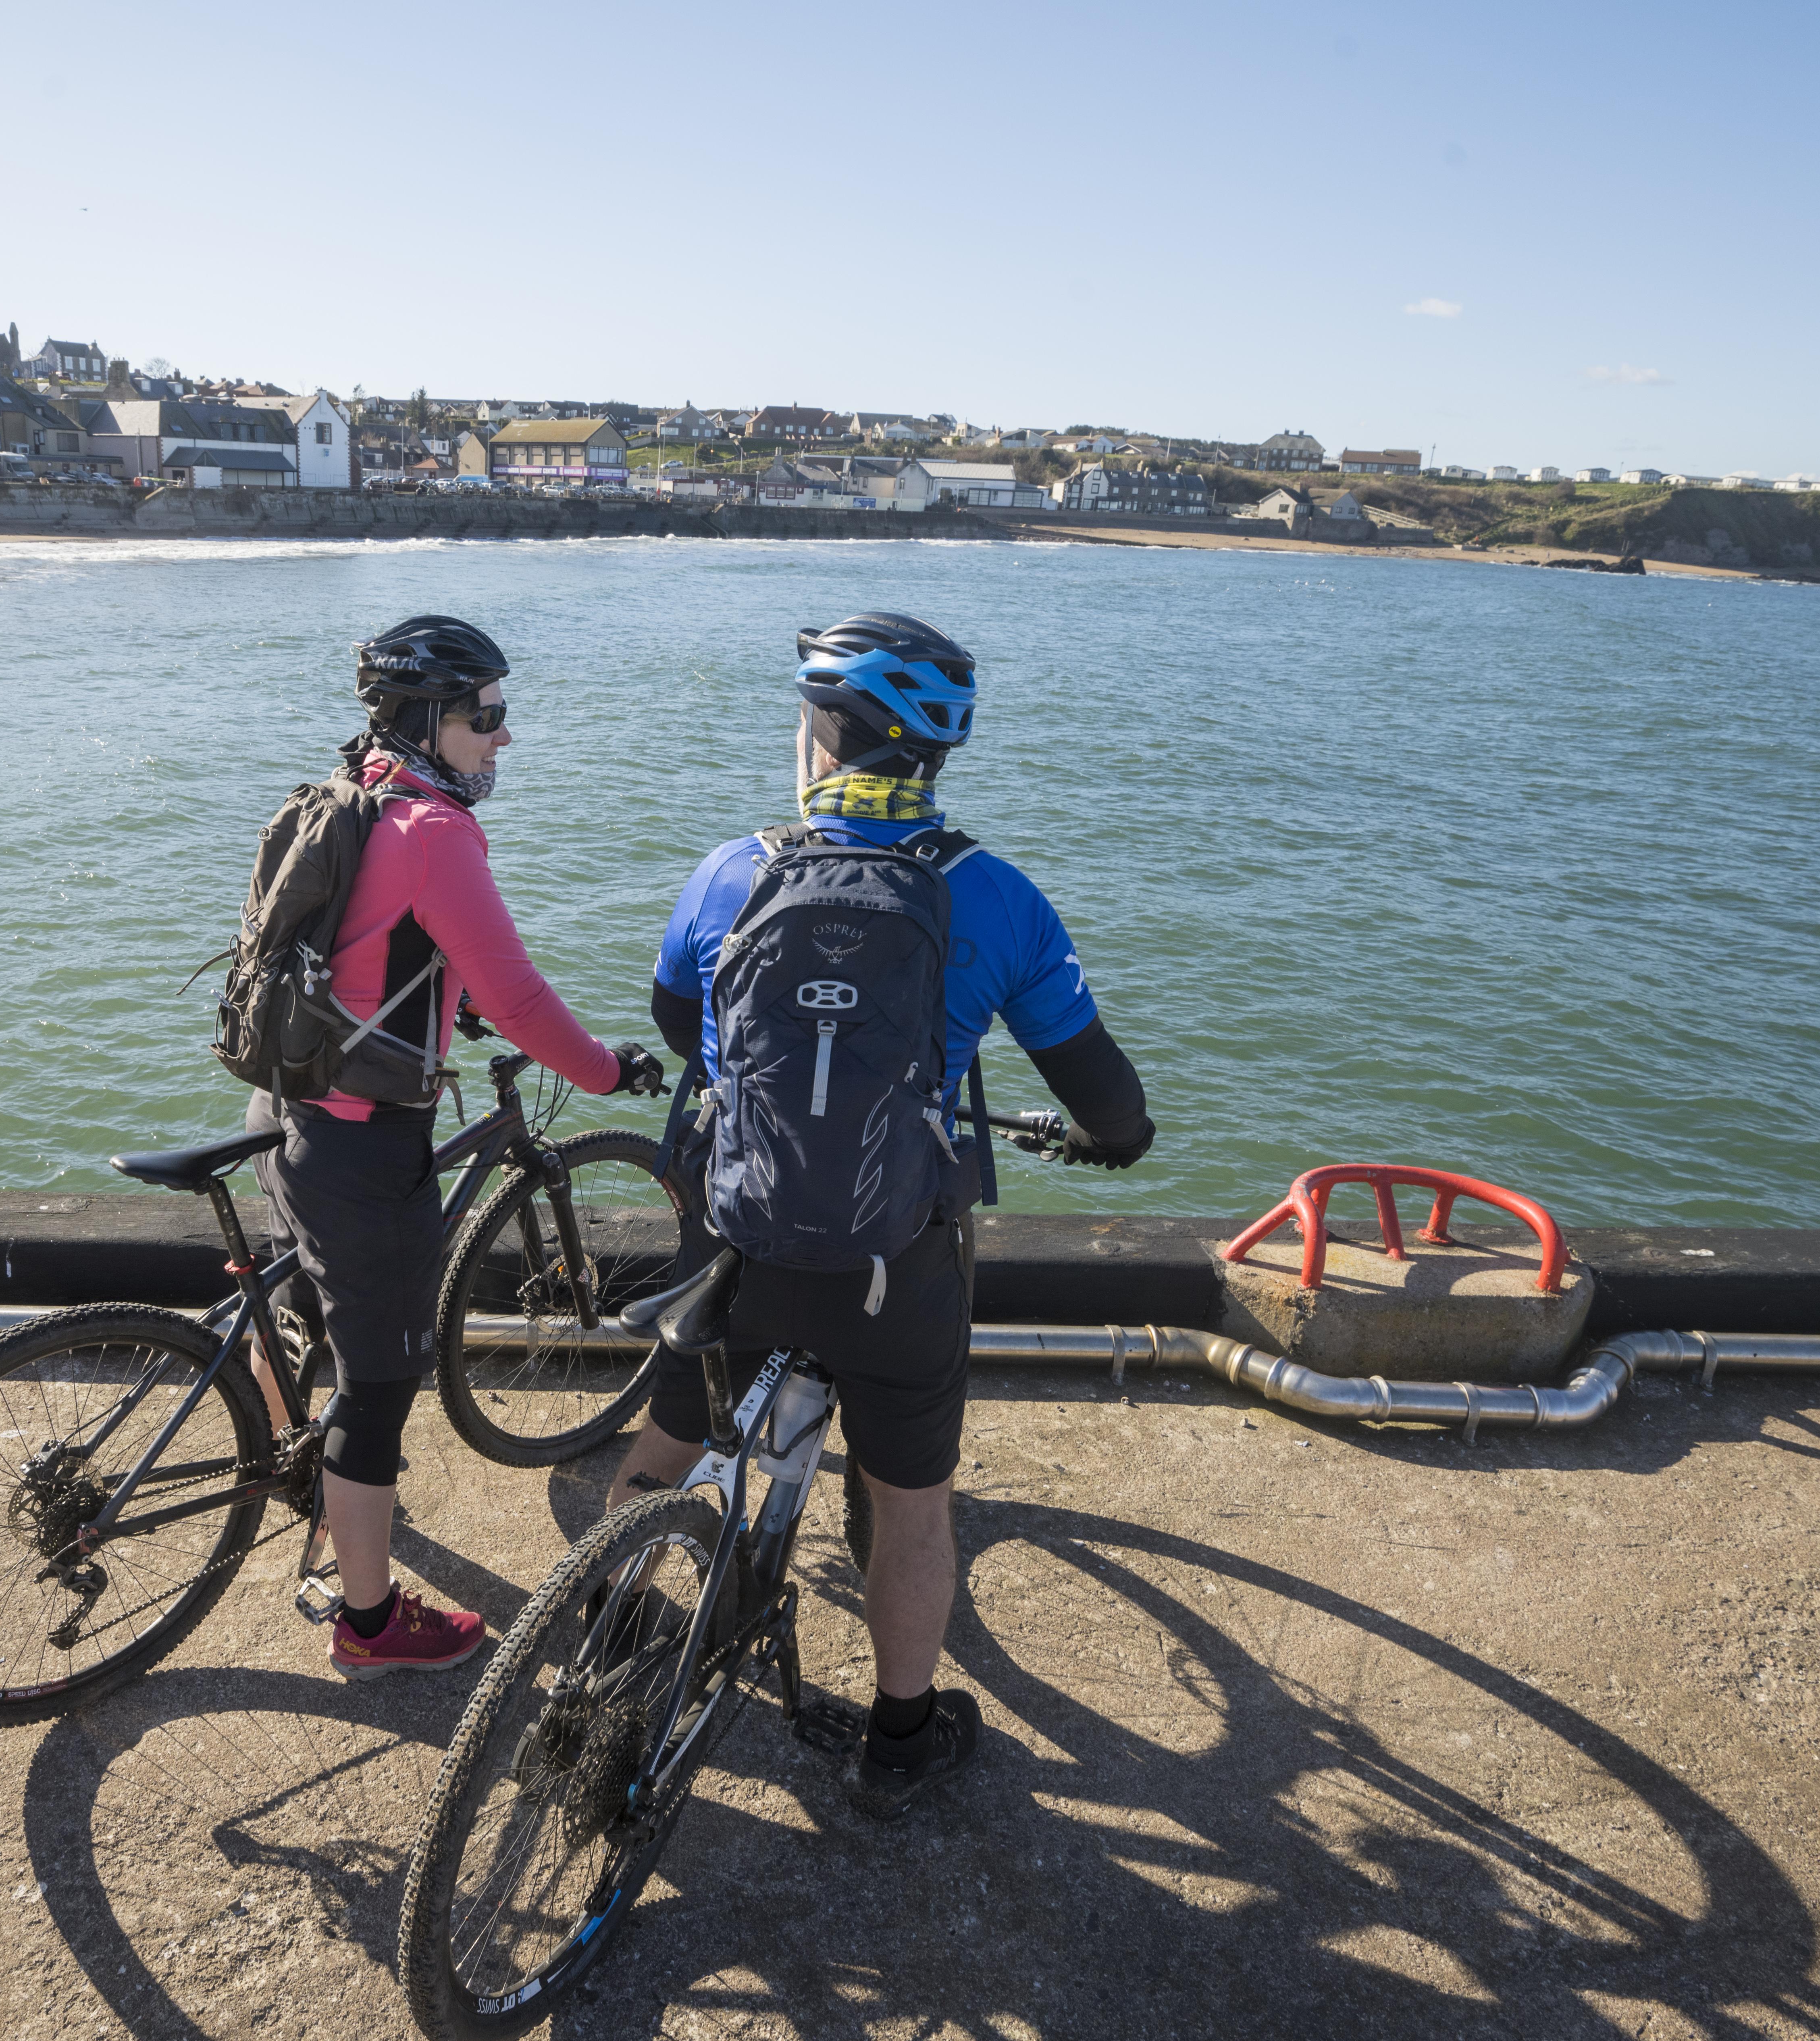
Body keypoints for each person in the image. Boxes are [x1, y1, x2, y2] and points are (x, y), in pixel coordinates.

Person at [605, 609, 1155, 1814]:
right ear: (936, 752)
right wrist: (1114, 1143)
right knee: (910, 1501)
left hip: (734, 1230)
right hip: (895, 1257)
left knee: (672, 1436)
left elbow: (671, 1021)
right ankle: (899, 1739)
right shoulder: (998, 898)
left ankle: (605, 1620)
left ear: (821, 735)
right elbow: (1106, 1097)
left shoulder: (728, 868)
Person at [250, 613, 663, 1679]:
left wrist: (443, 1001)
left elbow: (360, 945)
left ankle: (284, 1463)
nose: (503, 737)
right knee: (379, 1385)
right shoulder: (436, 831)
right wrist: (607, 1071)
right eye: (486, 716)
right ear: (431, 721)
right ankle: (371, 1622)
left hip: (287, 1105)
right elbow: (522, 996)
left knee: (294, 1300)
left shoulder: (356, 789)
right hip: (360, 1145)